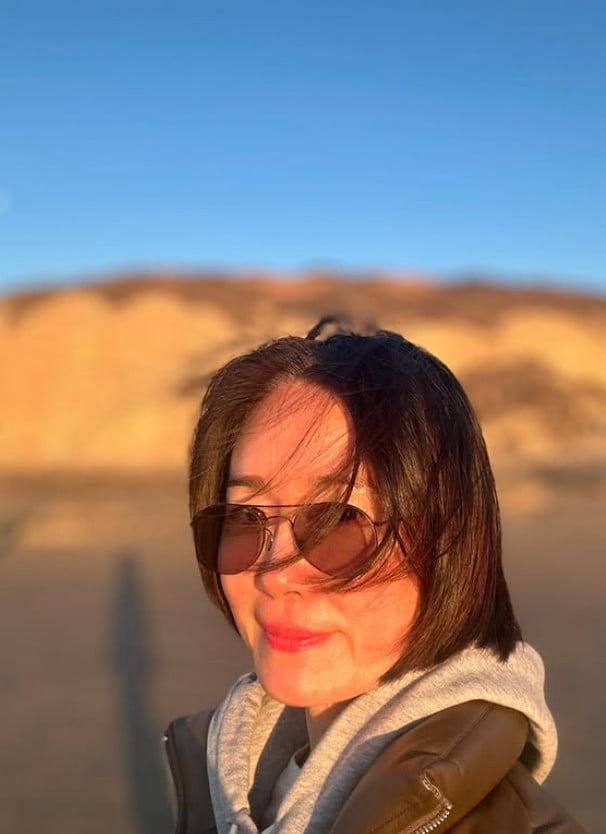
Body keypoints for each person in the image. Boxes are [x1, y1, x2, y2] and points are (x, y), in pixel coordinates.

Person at [164, 316, 585, 834]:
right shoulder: (247, 781)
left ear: (450, 537)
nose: (274, 575)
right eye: (245, 516)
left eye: (341, 518)